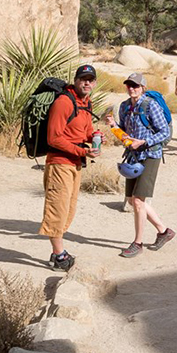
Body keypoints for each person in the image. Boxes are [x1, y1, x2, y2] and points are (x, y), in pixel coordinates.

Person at [105, 73, 175, 258]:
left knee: (137, 201)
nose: (131, 88)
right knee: (132, 200)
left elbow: (164, 132)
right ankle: (163, 231)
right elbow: (126, 134)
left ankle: (138, 243)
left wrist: (144, 142)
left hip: (151, 155)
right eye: (128, 85)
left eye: (135, 85)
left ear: (142, 87)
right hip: (134, 156)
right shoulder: (125, 106)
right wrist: (113, 126)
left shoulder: (150, 105)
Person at [39, 64, 100, 271]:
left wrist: (95, 137)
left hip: (75, 163)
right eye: (83, 79)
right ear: (75, 80)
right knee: (58, 209)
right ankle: (58, 255)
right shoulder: (64, 102)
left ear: (95, 83)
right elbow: (53, 138)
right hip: (59, 163)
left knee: (69, 209)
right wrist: (83, 152)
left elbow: (87, 130)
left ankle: (57, 251)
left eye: (90, 79)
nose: (87, 83)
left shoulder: (86, 103)